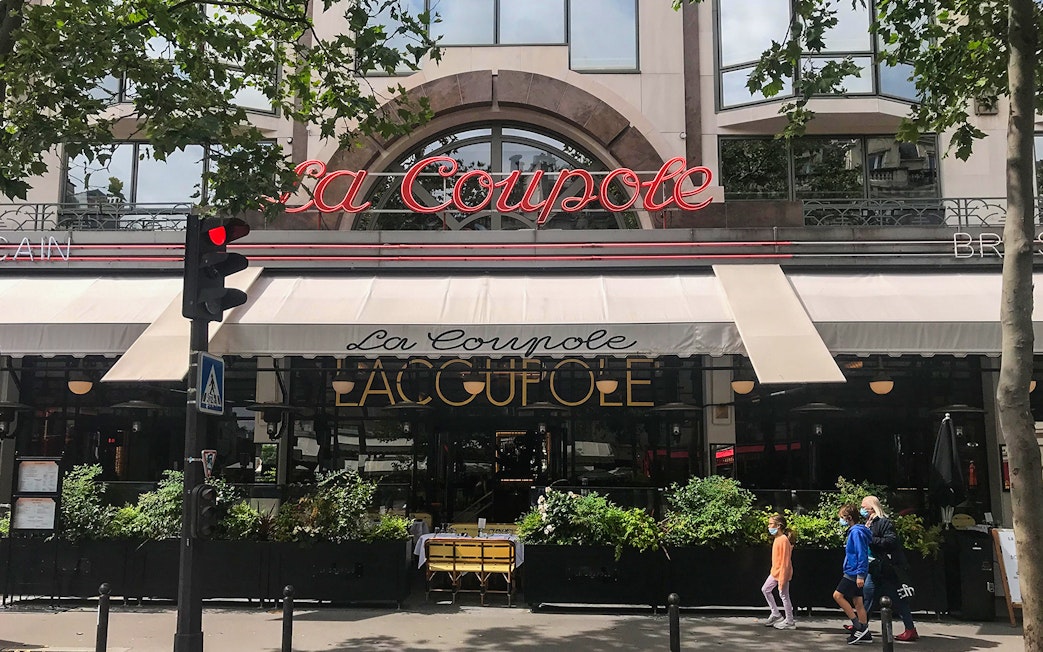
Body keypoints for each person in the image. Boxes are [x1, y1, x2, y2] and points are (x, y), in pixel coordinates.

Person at [861, 495, 919, 642]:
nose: (862, 510)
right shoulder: (868, 523)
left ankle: (910, 628)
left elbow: (890, 541)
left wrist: (870, 539)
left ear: (872, 508)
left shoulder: (884, 522)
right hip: (874, 567)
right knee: (868, 595)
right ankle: (861, 626)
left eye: (864, 507)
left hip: (886, 567)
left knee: (896, 598)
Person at [833, 504, 873, 645]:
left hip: (853, 572)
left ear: (849, 518)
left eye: (842, 517)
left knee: (837, 595)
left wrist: (860, 575)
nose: (841, 520)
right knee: (858, 602)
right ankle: (865, 633)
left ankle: (858, 626)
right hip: (856, 571)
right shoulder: (857, 531)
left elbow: (861, 553)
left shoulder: (856, 533)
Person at [761, 513, 796, 629]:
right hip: (775, 572)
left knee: (784, 595)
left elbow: (785, 561)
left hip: (782, 573)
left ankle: (789, 621)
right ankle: (776, 614)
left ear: (778, 526)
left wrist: (782, 579)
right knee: (766, 589)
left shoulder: (783, 540)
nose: (769, 526)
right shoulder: (778, 539)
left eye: (771, 524)